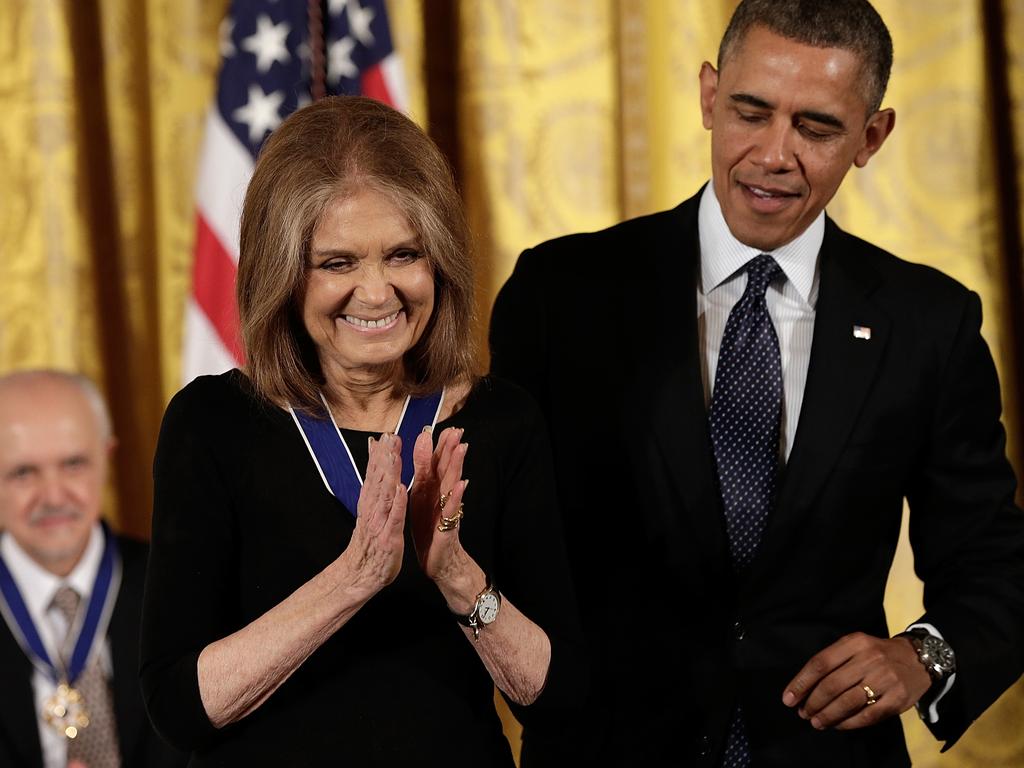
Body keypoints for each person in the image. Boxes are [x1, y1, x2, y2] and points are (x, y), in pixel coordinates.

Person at [489, 1, 1024, 766]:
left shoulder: (928, 324)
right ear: (709, 96)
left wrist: (924, 657)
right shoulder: (562, 293)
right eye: (750, 111)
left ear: (872, 137)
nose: (774, 154)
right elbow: (506, 544)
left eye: (816, 127)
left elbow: (992, 567)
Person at [140, 95, 582, 766]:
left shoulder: (499, 422)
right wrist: (354, 578)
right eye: (338, 263)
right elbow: (179, 708)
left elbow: (558, 701)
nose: (377, 294)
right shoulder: (214, 425)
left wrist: (458, 576)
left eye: (404, 254)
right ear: (284, 276)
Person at [0, 370, 187, 768]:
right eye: (22, 473)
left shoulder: (182, 584)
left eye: (73, 464)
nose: (52, 496)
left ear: (107, 458)